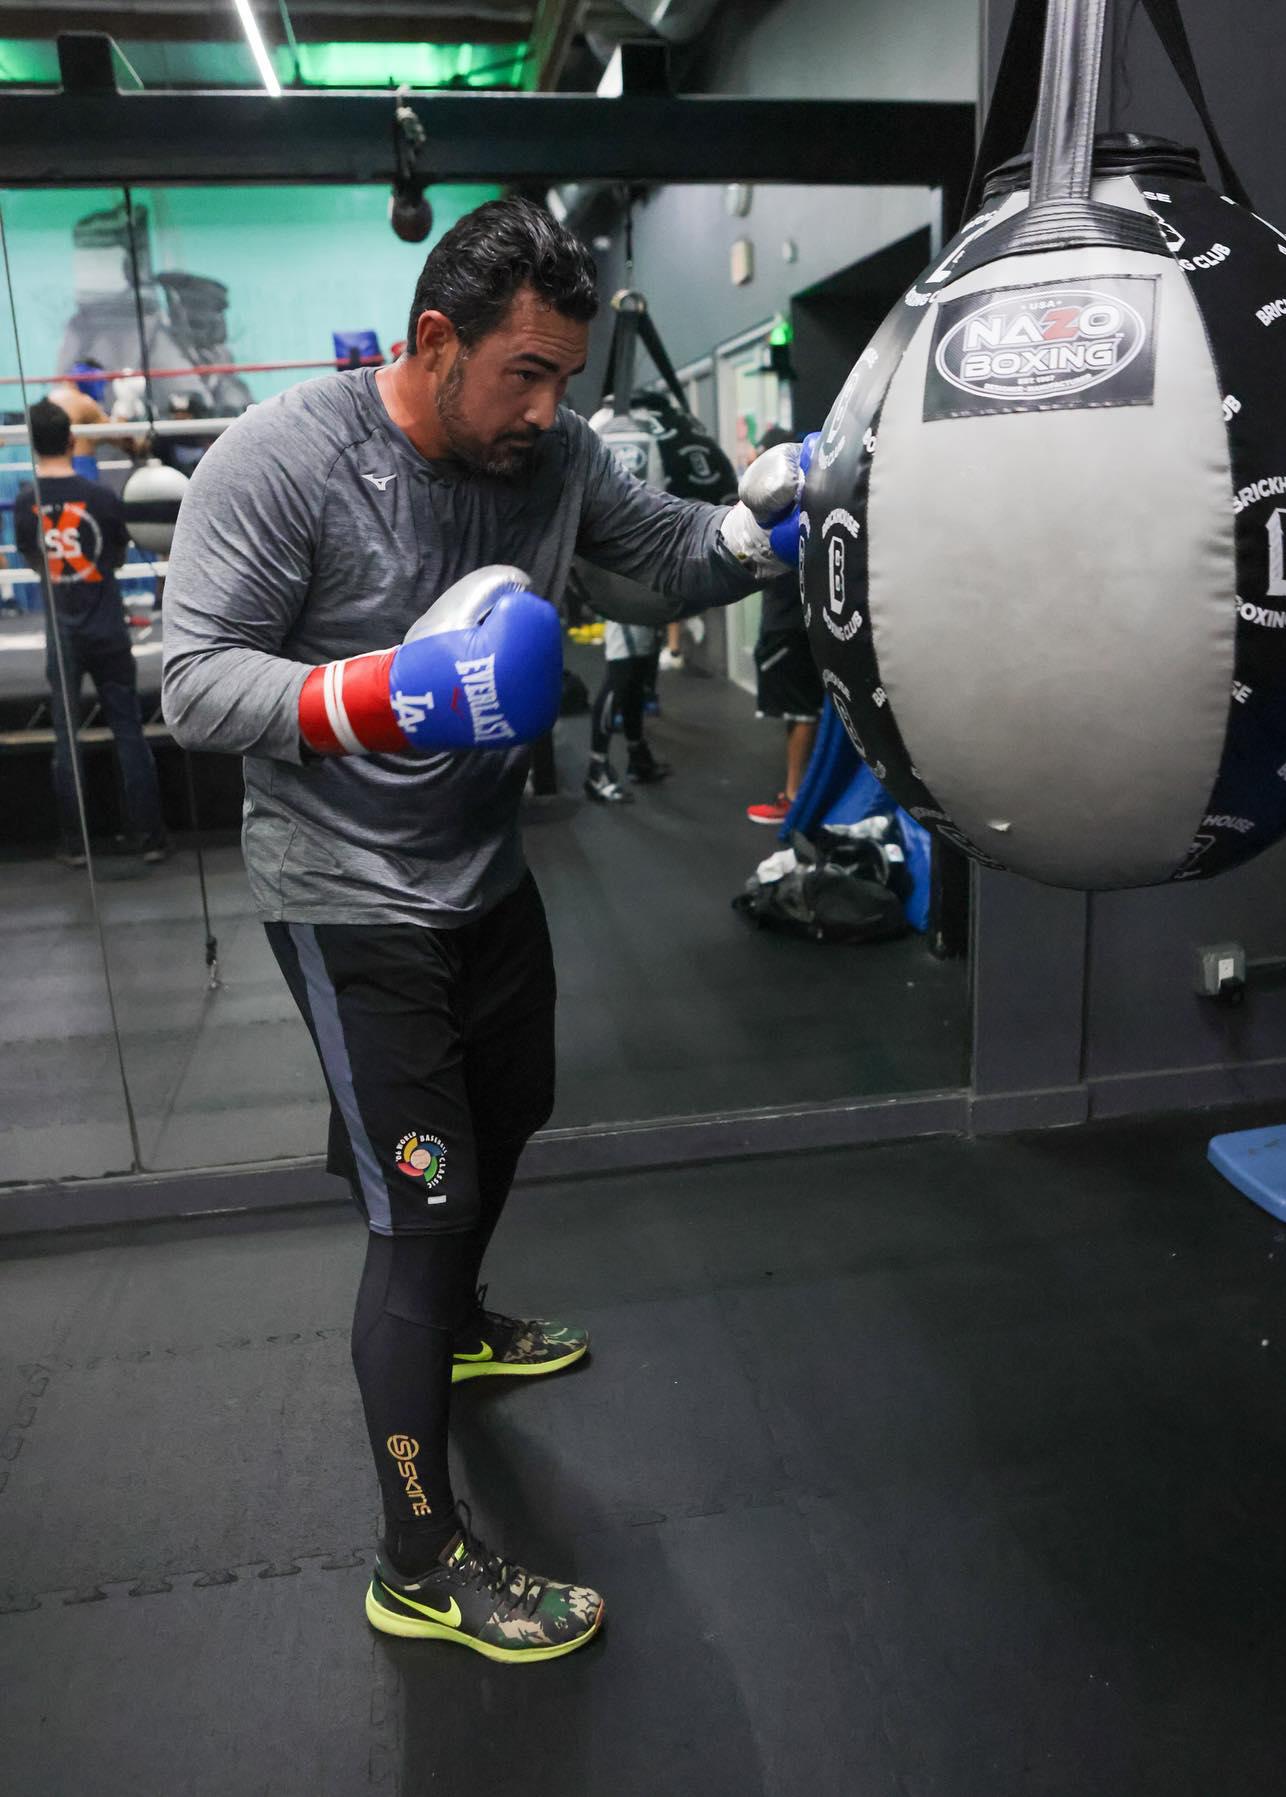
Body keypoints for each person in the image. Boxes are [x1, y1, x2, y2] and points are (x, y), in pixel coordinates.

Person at [161, 196, 801, 1667]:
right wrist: (374, 694)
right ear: (434, 342)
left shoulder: (556, 456)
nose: (549, 409)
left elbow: (675, 557)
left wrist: (773, 514)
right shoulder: (288, 462)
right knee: (422, 1205)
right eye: (524, 374)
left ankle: (456, 1316)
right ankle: (419, 1556)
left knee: (513, 1110)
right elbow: (192, 686)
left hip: (484, 877)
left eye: (567, 378)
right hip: (343, 896)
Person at [15, 399, 167, 866]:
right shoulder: (101, 498)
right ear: (70, 439)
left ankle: (75, 844)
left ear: (32, 442)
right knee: (128, 731)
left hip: (63, 635)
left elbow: (34, 560)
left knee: (66, 737)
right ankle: (150, 839)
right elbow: (117, 557)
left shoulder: (26, 501)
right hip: (107, 628)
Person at [746, 428, 824, 826]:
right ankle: (799, 793)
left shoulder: (803, 509)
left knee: (804, 712)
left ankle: (794, 797)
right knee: (798, 713)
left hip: (791, 625)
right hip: (787, 622)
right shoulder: (778, 509)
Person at [584, 616, 670, 803]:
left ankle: (638, 758)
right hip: (623, 615)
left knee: (635, 685)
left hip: (645, 615)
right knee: (617, 685)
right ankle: (596, 771)